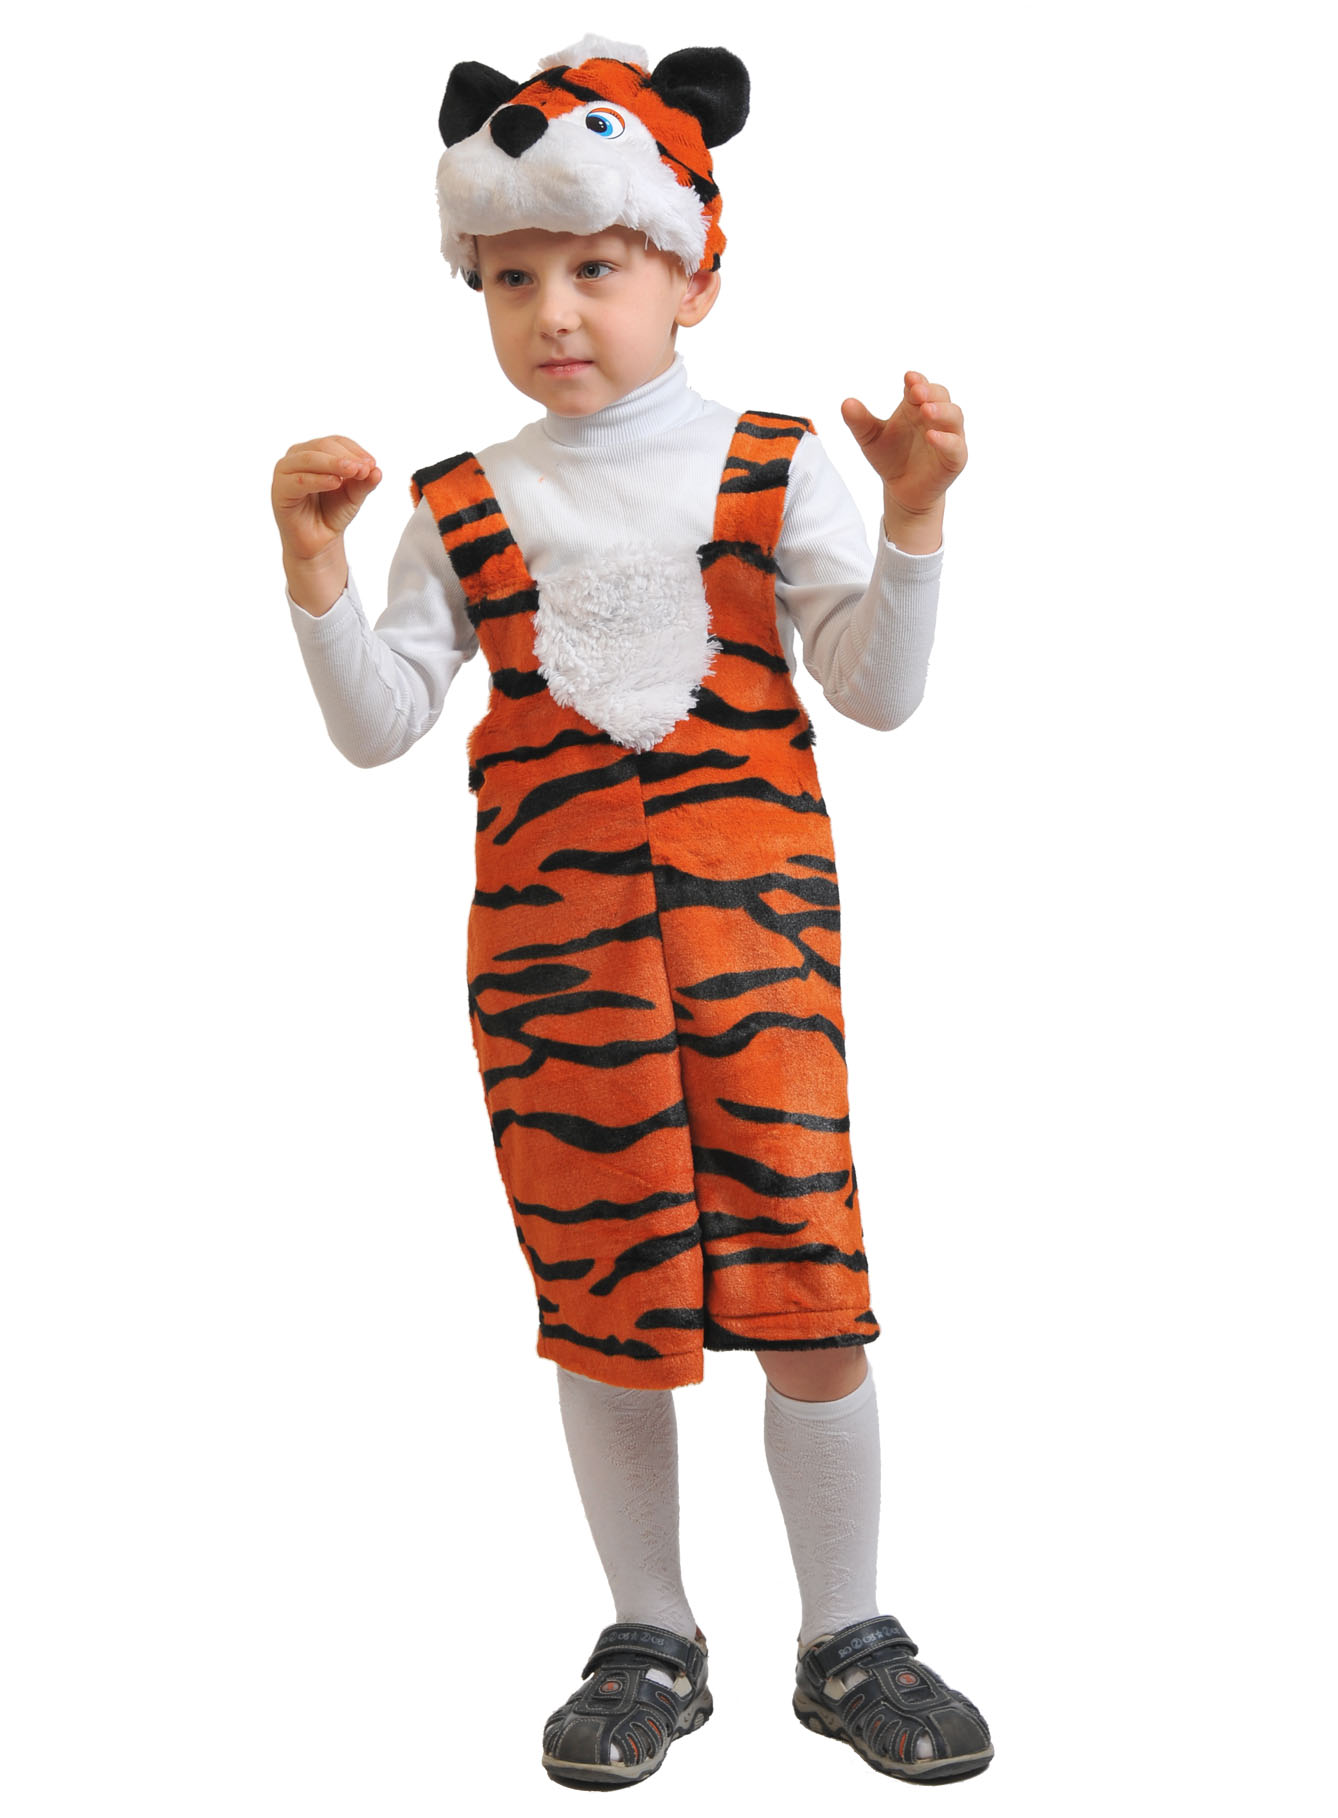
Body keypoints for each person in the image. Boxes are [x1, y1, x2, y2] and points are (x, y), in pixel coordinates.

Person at [270, 34, 991, 1791]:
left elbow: (875, 693)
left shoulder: (771, 462)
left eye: (594, 266)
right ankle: (650, 1630)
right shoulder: (461, 499)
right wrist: (312, 576)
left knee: (809, 1281)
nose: (553, 311)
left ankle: (846, 1630)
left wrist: (910, 521)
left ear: (692, 272)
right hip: (549, 973)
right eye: (510, 278)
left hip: (761, 961)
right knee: (602, 1292)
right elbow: (381, 724)